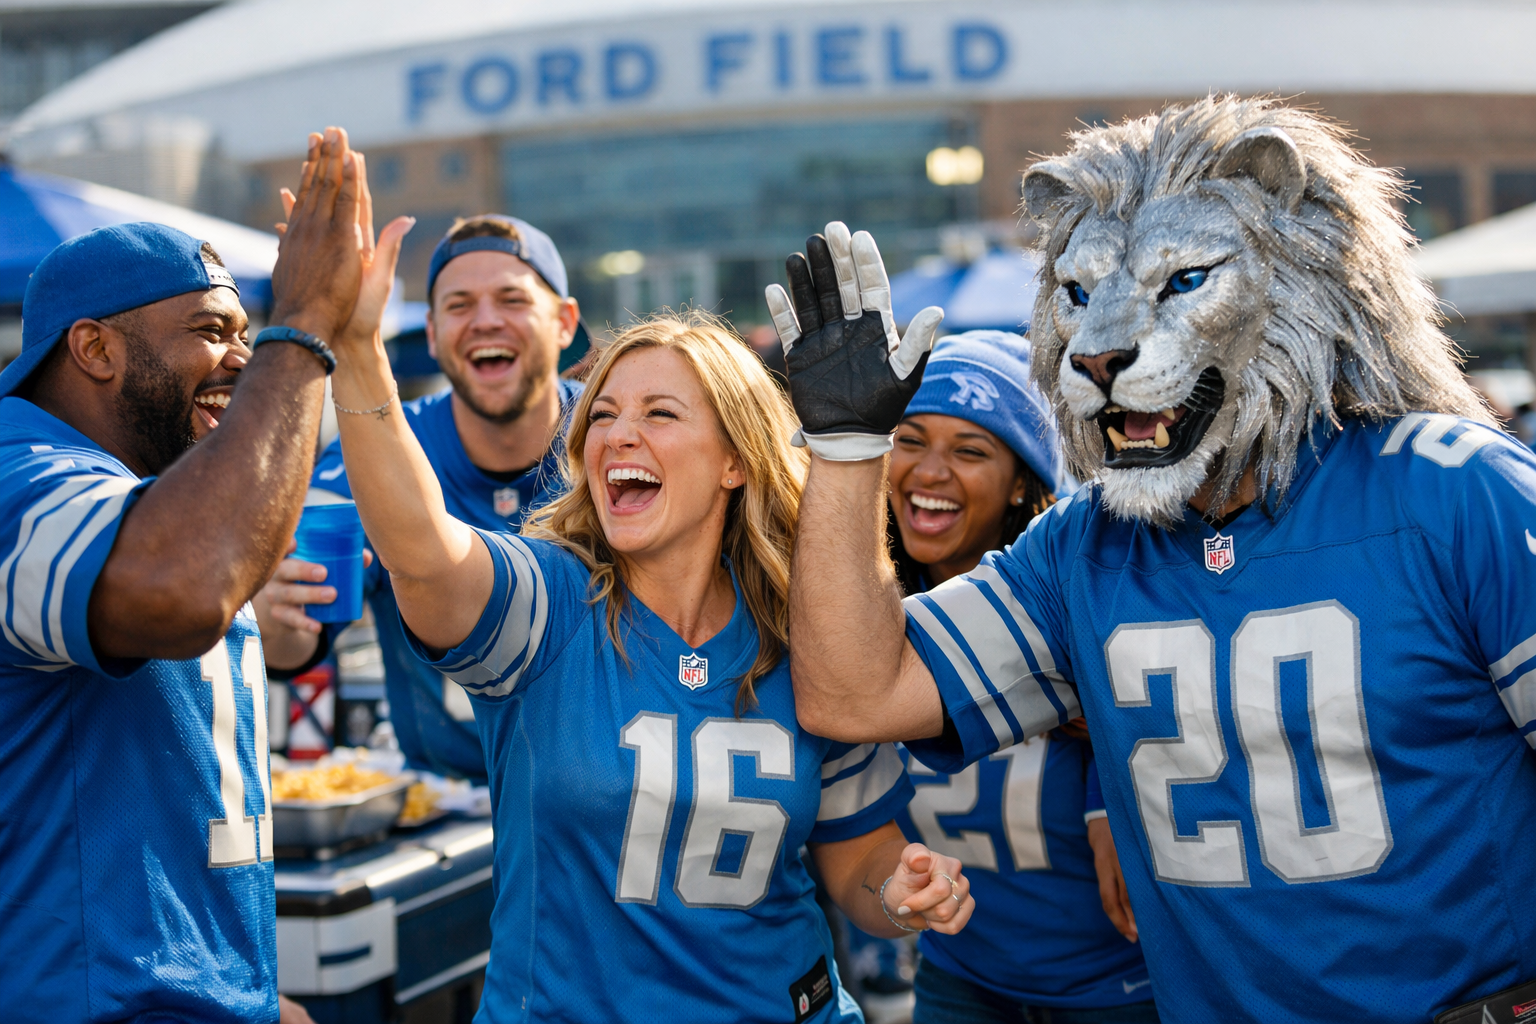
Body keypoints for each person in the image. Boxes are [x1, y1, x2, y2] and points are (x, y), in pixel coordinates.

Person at [772, 97, 1536, 1024]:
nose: (1102, 349)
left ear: (1312, 275)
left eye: (1184, 280)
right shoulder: (1080, 546)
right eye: (1082, 296)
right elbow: (855, 692)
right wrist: (849, 450)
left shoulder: (1456, 491)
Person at [321, 199, 977, 1021]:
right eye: (601, 414)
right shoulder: (545, 606)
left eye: (659, 414)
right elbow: (420, 549)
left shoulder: (806, 634)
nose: (617, 435)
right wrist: (354, 350)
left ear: (736, 461)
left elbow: (857, 859)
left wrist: (903, 888)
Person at [0, 128, 372, 1022]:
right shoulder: (19, 471)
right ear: (94, 350)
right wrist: (304, 328)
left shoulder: (157, 495)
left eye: (249, 332)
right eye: (212, 331)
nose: (242, 358)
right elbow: (184, 589)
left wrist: (243, 996)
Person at [883, 331, 1156, 1023]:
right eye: (909, 439)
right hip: (959, 977)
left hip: (1115, 984)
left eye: (970, 450)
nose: (930, 472)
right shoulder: (860, 612)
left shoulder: (1081, 604)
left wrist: (1106, 792)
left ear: (1021, 485)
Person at [257, 213, 585, 782]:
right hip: (446, 802)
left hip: (606, 802)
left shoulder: (620, 433)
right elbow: (295, 642)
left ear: (564, 321)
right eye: (459, 305)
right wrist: (272, 611)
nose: (485, 321)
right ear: (431, 334)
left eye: (511, 299)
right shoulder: (377, 447)